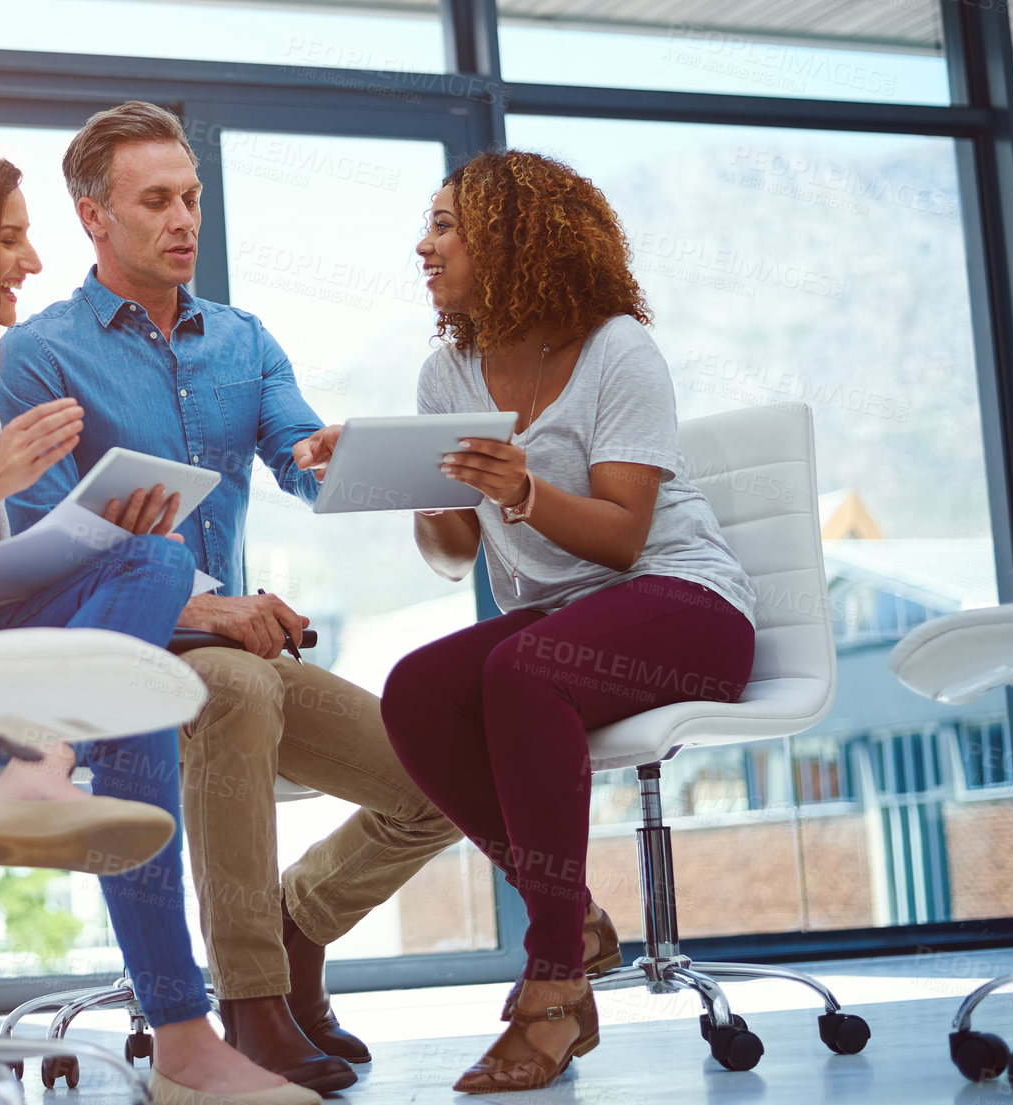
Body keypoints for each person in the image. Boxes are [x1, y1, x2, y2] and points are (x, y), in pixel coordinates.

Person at [0, 101, 462, 1094]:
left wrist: (333, 456)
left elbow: (304, 467)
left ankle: (293, 930)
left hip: (239, 644)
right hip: (124, 652)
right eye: (155, 200)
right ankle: (247, 1006)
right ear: (93, 217)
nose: (182, 219)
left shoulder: (241, 341)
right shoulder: (38, 355)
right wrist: (205, 613)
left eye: (191, 198)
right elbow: (41, 551)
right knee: (240, 690)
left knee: (439, 781)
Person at [0, 144, 318, 1105]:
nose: (30, 261)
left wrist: (92, 533)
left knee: (157, 557)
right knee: (126, 691)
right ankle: (183, 1035)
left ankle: (39, 759)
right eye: (9, 239)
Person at [353, 149, 758, 1093]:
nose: (425, 243)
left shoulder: (618, 348)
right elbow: (454, 552)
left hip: (687, 607)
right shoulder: (447, 372)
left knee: (519, 671)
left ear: (514, 237)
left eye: (446, 224)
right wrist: (407, 481)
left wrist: (525, 489)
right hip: (564, 624)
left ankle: (553, 979)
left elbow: (623, 537)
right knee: (417, 689)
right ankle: (571, 914)